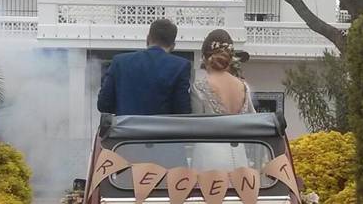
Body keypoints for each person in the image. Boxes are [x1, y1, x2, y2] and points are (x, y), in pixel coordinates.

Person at [190, 29, 255, 170]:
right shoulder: (243, 86)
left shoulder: (200, 87)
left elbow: (194, 126)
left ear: (205, 57)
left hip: (208, 157)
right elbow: (254, 121)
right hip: (238, 157)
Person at [97, 18, 192, 115]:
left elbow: (103, 105)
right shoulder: (180, 66)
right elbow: (183, 111)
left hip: (126, 128)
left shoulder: (119, 62)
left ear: (147, 39)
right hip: (163, 129)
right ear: (173, 46)